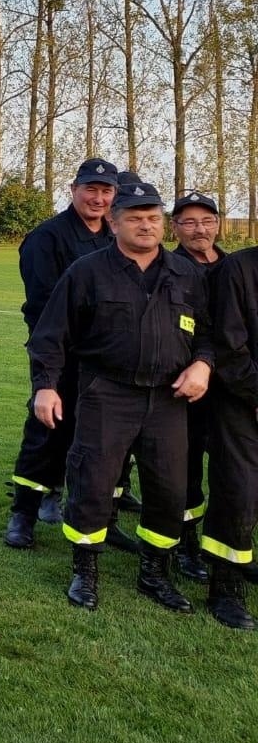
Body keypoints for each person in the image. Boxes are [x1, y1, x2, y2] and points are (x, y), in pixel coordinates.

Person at [26, 178, 212, 613]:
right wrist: (46, 386)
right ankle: (84, 571)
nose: (146, 226)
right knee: (92, 482)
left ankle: (154, 573)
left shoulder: (186, 274)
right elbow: (50, 335)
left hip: (168, 399)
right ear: (114, 223)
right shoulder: (87, 272)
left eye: (153, 218)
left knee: (169, 489)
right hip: (106, 393)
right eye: (135, 218)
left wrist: (203, 363)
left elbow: (208, 332)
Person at [4, 158, 125, 550]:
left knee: (105, 436)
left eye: (106, 191)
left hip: (106, 358)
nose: (98, 198)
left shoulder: (116, 236)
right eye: (91, 189)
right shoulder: (47, 238)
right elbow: (44, 307)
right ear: (73, 190)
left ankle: (102, 516)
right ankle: (23, 514)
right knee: (47, 432)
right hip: (61, 353)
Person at [168, 190, 224, 584]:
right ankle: (186, 544)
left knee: (231, 469)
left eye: (206, 221)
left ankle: (226, 542)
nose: (198, 229)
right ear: (175, 227)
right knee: (185, 469)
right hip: (188, 385)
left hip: (233, 385)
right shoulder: (169, 269)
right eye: (188, 222)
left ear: (217, 224)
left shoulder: (235, 266)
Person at [204, 240, 258, 628]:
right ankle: (225, 586)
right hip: (241, 402)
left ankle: (245, 562)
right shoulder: (236, 269)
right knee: (238, 493)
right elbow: (227, 345)